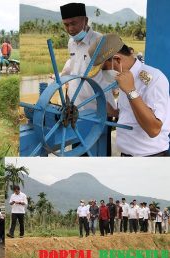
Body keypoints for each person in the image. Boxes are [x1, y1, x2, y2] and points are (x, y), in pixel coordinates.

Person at [88, 33, 170, 156]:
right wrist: (114, 112)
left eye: (104, 68)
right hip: (126, 154)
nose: (103, 73)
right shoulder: (123, 76)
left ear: (117, 59)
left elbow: (154, 129)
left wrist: (131, 91)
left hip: (150, 158)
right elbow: (132, 113)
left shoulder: (153, 78)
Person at [59, 3, 117, 155]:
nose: (70, 28)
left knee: (99, 152)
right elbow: (73, 64)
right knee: (78, 151)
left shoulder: (100, 42)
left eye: (73, 23)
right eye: (66, 24)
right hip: (76, 111)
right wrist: (63, 74)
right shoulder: (71, 42)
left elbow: (113, 73)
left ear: (85, 20)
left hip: (98, 109)